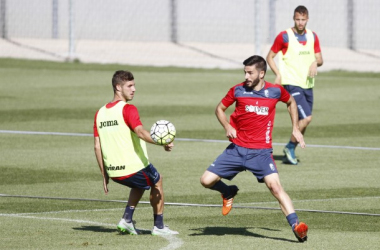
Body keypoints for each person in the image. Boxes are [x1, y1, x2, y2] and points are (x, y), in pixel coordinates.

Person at [200, 55, 308, 242]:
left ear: (262, 73)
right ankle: (227, 191)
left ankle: (297, 226)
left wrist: (295, 128)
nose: (246, 76)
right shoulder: (237, 90)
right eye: (245, 72)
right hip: (237, 149)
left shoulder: (275, 91)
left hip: (261, 152)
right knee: (206, 180)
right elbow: (219, 109)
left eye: (250, 73)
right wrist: (227, 126)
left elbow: (291, 102)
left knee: (275, 187)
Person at [93, 70, 178, 236]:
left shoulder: (100, 113)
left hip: (114, 171)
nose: (134, 89)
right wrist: (163, 141)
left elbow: (97, 146)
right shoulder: (128, 109)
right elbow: (140, 132)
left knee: (140, 184)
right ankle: (159, 227)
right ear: (118, 87)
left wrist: (104, 174)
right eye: (129, 86)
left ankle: (127, 219)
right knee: (157, 180)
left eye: (134, 85)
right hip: (132, 167)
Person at [266, 5, 323, 165]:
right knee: (307, 118)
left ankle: (290, 148)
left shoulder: (313, 36)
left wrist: (314, 62)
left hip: (307, 84)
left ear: (307, 19)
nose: (300, 22)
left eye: (303, 20)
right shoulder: (284, 36)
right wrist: (278, 74)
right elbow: (269, 57)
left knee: (303, 121)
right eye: (297, 19)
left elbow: (320, 59)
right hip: (291, 84)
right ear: (294, 18)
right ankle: (290, 147)